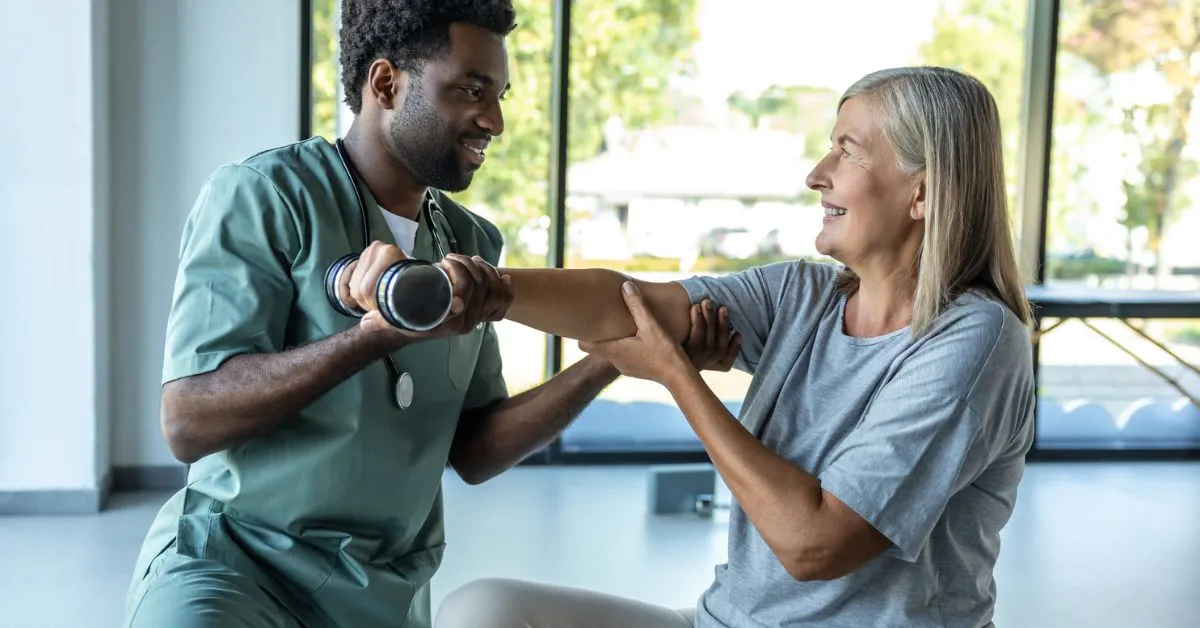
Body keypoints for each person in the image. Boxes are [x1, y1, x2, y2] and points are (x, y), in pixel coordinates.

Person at [121, 1, 736, 627]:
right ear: (387, 83)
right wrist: (369, 340)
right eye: (471, 90)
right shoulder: (268, 194)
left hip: (380, 596)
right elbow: (188, 421)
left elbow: (475, 449)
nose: (495, 121)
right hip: (235, 573)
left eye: (499, 97)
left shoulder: (471, 243)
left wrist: (611, 360)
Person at [429, 66, 1037, 628]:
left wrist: (677, 376)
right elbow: (629, 303)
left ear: (922, 194)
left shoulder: (975, 341)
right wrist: (488, 293)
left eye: (848, 151)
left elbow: (815, 544)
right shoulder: (803, 295)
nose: (817, 173)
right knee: (483, 612)